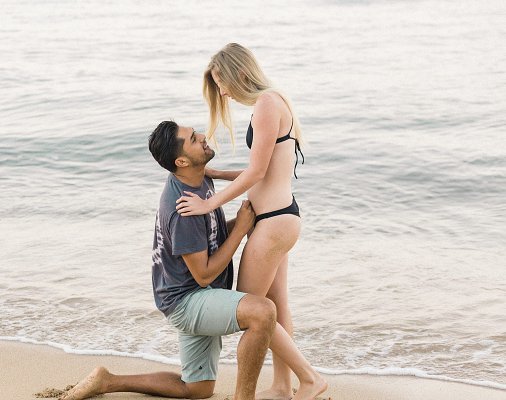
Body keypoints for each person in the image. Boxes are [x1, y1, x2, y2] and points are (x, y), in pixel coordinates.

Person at [59, 120, 277, 400]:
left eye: (195, 132)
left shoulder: (197, 177)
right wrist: (243, 228)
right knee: (263, 312)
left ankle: (107, 381)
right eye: (193, 138)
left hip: (189, 292)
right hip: (187, 300)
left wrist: (232, 208)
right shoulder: (182, 209)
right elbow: (205, 275)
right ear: (182, 160)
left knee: (197, 389)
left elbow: (214, 231)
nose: (202, 137)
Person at [175, 43, 327, 400]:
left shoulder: (267, 103)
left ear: (240, 73)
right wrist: (215, 172)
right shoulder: (272, 102)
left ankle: (310, 379)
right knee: (277, 306)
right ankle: (281, 388)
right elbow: (262, 169)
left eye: (222, 83)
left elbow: (258, 172)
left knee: (252, 309)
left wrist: (208, 203)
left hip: (273, 221)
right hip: (278, 217)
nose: (223, 92)